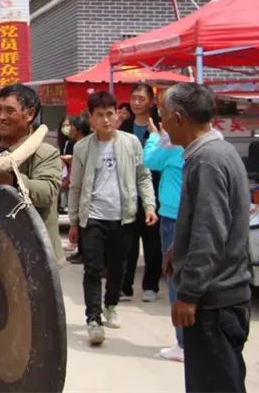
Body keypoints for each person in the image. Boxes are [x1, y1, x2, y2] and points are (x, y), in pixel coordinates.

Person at [159, 83, 251, 392]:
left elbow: (209, 234)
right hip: (221, 298)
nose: (161, 123)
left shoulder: (207, 160)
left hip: (214, 302)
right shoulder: (217, 152)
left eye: (162, 114)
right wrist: (177, 248)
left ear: (178, 118)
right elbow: (209, 219)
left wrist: (189, 294)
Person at [68, 91, 157, 346]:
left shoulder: (131, 143)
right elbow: (75, 186)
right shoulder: (82, 147)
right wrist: (74, 221)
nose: (106, 120)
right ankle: (93, 319)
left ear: (117, 115)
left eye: (110, 114)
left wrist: (149, 205)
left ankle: (111, 305)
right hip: (93, 217)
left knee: (118, 267)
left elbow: (143, 176)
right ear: (91, 118)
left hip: (123, 217)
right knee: (93, 269)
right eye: (100, 115)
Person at [0, 84, 65, 264]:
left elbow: (47, 193)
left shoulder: (45, 153)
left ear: (29, 114)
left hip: (33, 255)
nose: (1, 117)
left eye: (10, 111)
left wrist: (14, 182)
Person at [142, 110, 185, 363]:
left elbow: (150, 159)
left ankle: (182, 342)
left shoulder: (172, 143)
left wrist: (153, 136)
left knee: (175, 277)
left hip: (172, 214)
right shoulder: (213, 140)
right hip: (188, 214)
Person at [120, 83, 162, 302]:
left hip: (154, 191)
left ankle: (151, 285)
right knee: (128, 243)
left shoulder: (160, 126)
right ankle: (125, 286)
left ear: (151, 102)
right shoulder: (125, 126)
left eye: (141, 99)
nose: (136, 102)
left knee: (152, 243)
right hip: (128, 192)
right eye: (133, 98)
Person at [64, 116, 91, 265]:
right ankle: (81, 251)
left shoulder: (87, 145)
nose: (69, 129)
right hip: (77, 186)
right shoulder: (77, 145)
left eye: (72, 126)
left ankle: (84, 252)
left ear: (79, 129)